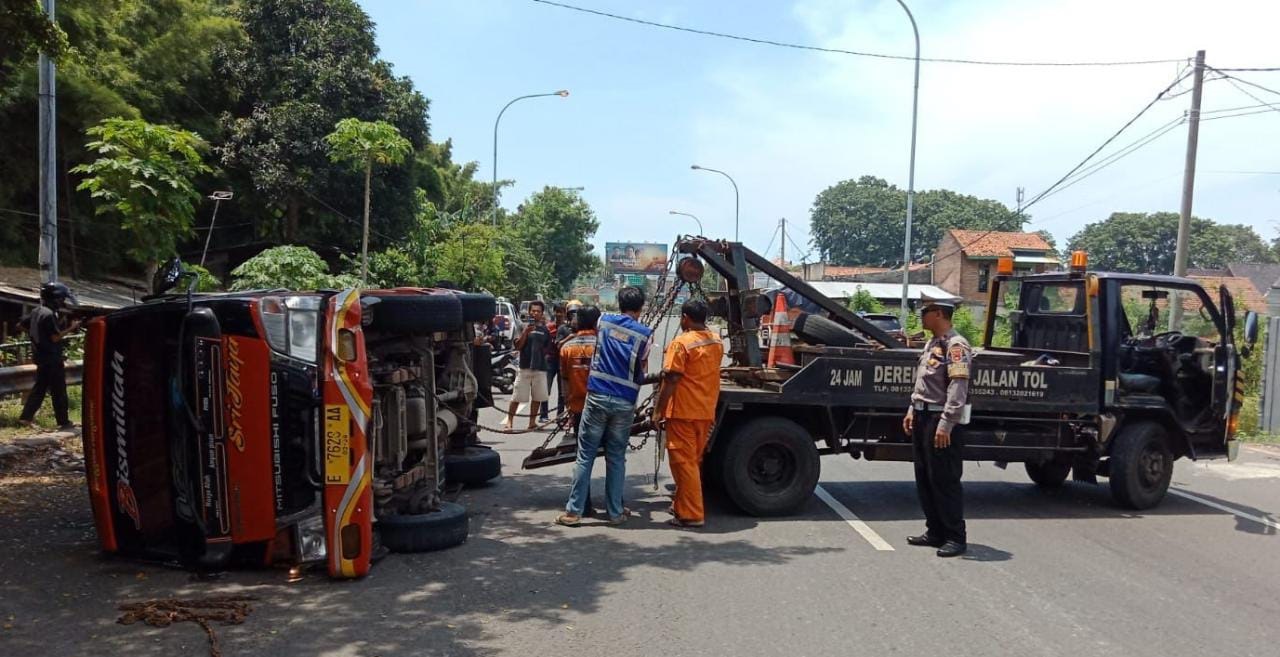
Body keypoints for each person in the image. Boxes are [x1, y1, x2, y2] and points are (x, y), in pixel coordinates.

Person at [557, 286, 652, 527]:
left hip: (598, 396)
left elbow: (587, 323)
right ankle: (615, 512)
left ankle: (574, 512)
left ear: (619, 304)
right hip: (624, 401)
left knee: (584, 455)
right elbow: (643, 367)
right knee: (616, 457)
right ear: (642, 307)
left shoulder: (605, 322)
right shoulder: (645, 334)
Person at [902, 297, 972, 558]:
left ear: (940, 314)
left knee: (945, 479)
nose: (921, 316)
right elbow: (924, 383)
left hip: (940, 421)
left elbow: (958, 387)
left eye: (925, 311)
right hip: (923, 416)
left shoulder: (956, 345)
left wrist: (947, 422)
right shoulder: (932, 343)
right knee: (925, 478)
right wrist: (912, 408)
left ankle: (955, 536)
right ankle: (935, 531)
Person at [652, 299, 723, 528]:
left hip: (683, 411)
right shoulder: (716, 341)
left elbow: (671, 378)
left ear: (685, 318)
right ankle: (682, 504)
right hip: (705, 411)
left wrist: (658, 410)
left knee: (684, 463)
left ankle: (691, 514)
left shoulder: (681, 344)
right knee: (692, 461)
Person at [20, 282, 80, 430]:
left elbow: (21, 325)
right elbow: (55, 337)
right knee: (58, 390)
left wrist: (36, 336)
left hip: (41, 356)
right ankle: (63, 422)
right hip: (51, 358)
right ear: (56, 299)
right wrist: (72, 328)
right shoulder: (49, 314)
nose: (63, 302)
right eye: (62, 299)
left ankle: (26, 418)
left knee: (40, 388)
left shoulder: (37, 311)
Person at [507, 300, 551, 430]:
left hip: (540, 368)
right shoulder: (521, 326)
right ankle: (509, 422)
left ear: (542, 313)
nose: (535, 313)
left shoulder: (545, 330)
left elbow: (547, 348)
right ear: (529, 312)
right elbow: (518, 346)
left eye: (538, 311)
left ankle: (532, 422)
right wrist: (526, 332)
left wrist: (543, 357)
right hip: (524, 367)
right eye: (533, 311)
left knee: (537, 397)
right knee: (516, 397)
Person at [539, 302, 572, 422]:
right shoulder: (549, 327)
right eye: (557, 311)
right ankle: (543, 415)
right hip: (550, 361)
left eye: (561, 312)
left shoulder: (569, 329)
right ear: (554, 312)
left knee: (562, 391)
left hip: (563, 362)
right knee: (545, 389)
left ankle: (560, 415)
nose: (559, 314)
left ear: (565, 313)